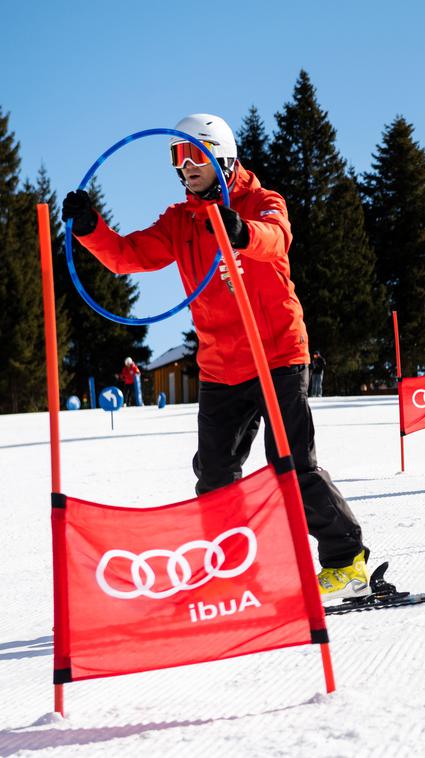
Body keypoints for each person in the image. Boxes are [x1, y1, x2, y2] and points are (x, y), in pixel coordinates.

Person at [61, 114, 369, 601]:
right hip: (221, 365)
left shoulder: (263, 202)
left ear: (221, 156)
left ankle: (345, 557)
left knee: (290, 465)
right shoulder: (179, 221)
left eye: (194, 156)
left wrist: (241, 231)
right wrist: (90, 228)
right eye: (177, 160)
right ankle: (231, 570)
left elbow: (276, 238)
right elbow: (126, 255)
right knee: (215, 475)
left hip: (277, 355)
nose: (185, 169)